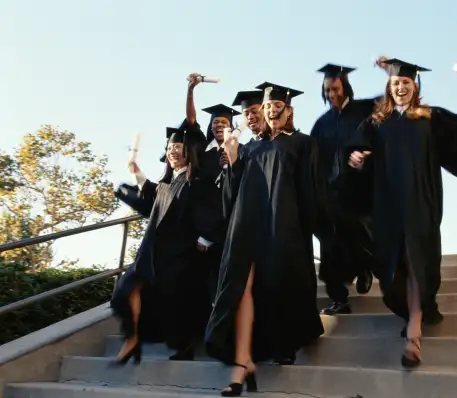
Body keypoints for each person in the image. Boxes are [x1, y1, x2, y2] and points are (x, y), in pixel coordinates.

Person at [346, 57, 457, 368]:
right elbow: (355, 151)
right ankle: (413, 315)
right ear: (388, 88)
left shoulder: (430, 119)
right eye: (395, 83)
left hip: (421, 205)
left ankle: (413, 335)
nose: (401, 87)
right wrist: (355, 159)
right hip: (388, 207)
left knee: (417, 261)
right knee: (394, 269)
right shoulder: (375, 123)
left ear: (415, 86)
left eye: (406, 82)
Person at [205, 82, 331, 396]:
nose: (272, 111)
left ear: (289, 111)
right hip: (247, 224)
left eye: (278, 107)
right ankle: (243, 359)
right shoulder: (248, 149)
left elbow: (310, 190)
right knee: (240, 286)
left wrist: (310, 227)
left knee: (277, 283)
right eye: (268, 107)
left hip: (283, 225)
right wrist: (232, 160)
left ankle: (273, 348)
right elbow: (231, 195)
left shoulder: (303, 143)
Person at [111, 127, 224, 364]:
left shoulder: (196, 183)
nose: (173, 151)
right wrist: (135, 172)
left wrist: (206, 238)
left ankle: (183, 345)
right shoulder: (165, 184)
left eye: (178, 148)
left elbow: (213, 212)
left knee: (173, 302)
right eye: (170, 148)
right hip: (153, 252)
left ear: (189, 152)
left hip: (180, 255)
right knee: (125, 288)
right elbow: (151, 198)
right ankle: (132, 338)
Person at [310, 63, 379, 316]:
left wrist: (368, 154)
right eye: (328, 90)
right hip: (332, 194)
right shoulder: (321, 124)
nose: (332, 95)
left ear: (345, 87)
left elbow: (385, 128)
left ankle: (364, 267)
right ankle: (338, 298)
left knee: (361, 235)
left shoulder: (365, 110)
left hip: (362, 191)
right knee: (329, 245)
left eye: (335, 89)